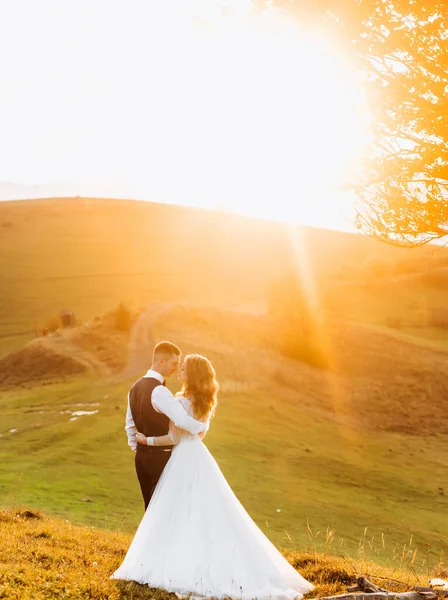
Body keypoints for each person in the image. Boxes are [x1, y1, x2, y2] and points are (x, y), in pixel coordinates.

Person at [113, 354, 314, 600]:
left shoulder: (180, 401)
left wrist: (147, 440)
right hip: (200, 456)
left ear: (192, 374)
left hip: (182, 459)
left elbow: (174, 438)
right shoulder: (205, 401)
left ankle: (179, 559)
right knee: (208, 511)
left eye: (183, 368)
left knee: (177, 511)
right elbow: (201, 435)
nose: (179, 371)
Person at [125, 341, 206, 509]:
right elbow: (181, 420)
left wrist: (138, 449)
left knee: (150, 507)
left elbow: (130, 426)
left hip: (140, 459)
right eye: (174, 364)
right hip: (160, 458)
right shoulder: (160, 391)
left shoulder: (134, 388)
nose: (176, 368)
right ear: (161, 361)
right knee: (162, 509)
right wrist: (201, 427)